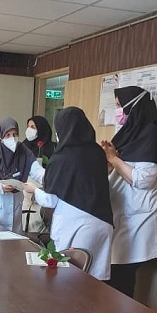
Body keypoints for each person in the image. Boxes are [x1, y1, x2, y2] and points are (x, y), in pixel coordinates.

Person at [25, 107, 113, 281]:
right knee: (96, 281)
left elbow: (50, 200)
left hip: (77, 224)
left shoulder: (61, 158)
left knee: (70, 279)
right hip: (103, 222)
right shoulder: (97, 152)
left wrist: (34, 190)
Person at [101, 86, 157, 298]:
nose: (118, 111)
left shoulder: (150, 135)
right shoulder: (127, 134)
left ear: (134, 106)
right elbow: (117, 168)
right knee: (115, 273)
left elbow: (144, 179)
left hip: (140, 216)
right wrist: (108, 162)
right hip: (124, 214)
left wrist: (114, 159)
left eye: (120, 105)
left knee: (122, 276)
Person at [0, 117, 45, 232]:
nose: (12, 138)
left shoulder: (23, 151)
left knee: (14, 239)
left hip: (15, 209)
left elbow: (37, 171)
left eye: (15, 134)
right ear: (0, 136)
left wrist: (50, 179)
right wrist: (0, 186)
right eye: (7, 135)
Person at [22, 115, 56, 232]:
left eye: (33, 127)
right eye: (28, 127)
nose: (29, 130)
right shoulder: (23, 146)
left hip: (44, 193)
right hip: (26, 195)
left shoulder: (53, 148)